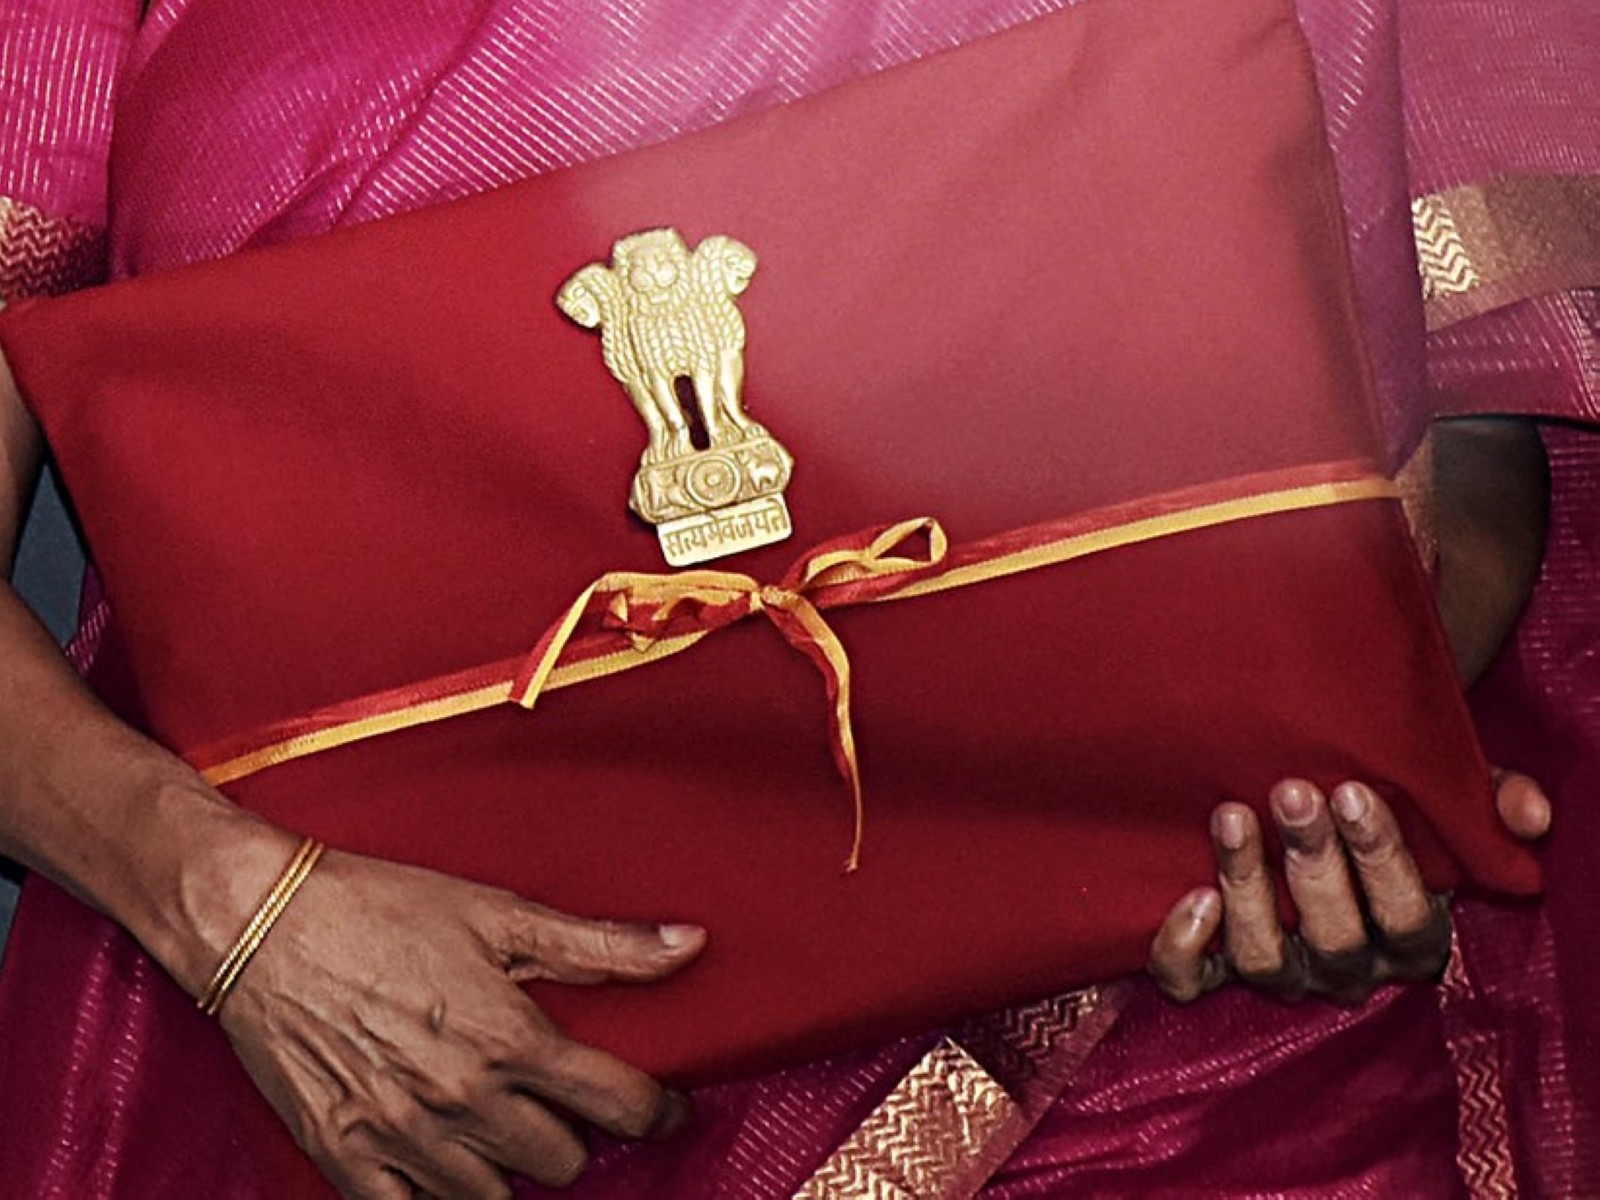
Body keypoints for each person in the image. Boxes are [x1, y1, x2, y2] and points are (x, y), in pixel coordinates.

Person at [0, 0, 1593, 1195]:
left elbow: (1454, 432)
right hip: (394, 1073)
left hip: (1166, 1075)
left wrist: (1321, 796)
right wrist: (238, 919)